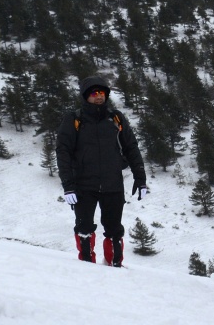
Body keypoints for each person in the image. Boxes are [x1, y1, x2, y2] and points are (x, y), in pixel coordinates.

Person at [55, 75, 147, 267]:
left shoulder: (115, 118)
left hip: (112, 184)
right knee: (84, 228)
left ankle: (115, 266)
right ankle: (87, 268)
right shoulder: (74, 119)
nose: (99, 96)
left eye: (102, 92)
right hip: (83, 185)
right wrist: (68, 186)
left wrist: (140, 177)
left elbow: (131, 147)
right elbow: (63, 152)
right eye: (95, 93)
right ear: (86, 96)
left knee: (114, 230)